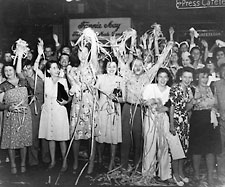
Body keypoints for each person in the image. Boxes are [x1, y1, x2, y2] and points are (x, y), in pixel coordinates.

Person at [0, 61, 32, 174]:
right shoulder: (3, 86)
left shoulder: (23, 81)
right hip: (11, 116)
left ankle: (23, 163)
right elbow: (0, 104)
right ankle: (13, 164)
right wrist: (8, 106)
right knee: (11, 141)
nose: (8, 73)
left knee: (24, 140)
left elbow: (31, 95)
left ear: (14, 70)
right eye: (5, 71)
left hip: (25, 115)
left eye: (10, 70)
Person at [38, 60, 70, 172]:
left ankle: (65, 161)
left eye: (57, 67)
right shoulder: (46, 80)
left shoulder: (63, 81)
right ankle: (52, 161)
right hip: (48, 112)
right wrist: (39, 54)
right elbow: (35, 69)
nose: (56, 70)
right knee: (50, 137)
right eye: (54, 68)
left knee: (61, 138)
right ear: (48, 70)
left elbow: (68, 96)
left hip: (59, 111)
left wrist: (66, 102)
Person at [142, 68, 172, 181]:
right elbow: (144, 101)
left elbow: (170, 106)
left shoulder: (170, 90)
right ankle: (148, 172)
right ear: (157, 77)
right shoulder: (151, 87)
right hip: (151, 117)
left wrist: (164, 108)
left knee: (163, 144)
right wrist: (153, 100)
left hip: (163, 118)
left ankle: (164, 174)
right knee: (149, 143)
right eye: (160, 76)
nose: (163, 79)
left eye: (165, 77)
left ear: (168, 78)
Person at [189, 68, 217, 186]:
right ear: (197, 78)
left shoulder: (211, 88)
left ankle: (210, 175)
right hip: (197, 119)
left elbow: (214, 104)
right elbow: (190, 105)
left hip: (209, 120)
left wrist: (214, 112)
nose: (205, 80)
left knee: (210, 149)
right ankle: (196, 174)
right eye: (202, 77)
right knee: (197, 149)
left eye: (206, 77)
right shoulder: (193, 89)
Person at [95, 60, 124, 171]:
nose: (111, 69)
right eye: (109, 66)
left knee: (113, 136)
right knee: (101, 136)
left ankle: (112, 161)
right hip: (102, 110)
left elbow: (123, 99)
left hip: (114, 111)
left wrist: (116, 98)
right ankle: (100, 159)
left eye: (114, 66)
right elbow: (95, 90)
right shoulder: (101, 77)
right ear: (105, 67)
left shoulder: (120, 80)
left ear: (117, 68)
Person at [169, 67, 194, 186]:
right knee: (176, 150)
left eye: (190, 77)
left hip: (184, 121)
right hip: (176, 120)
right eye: (185, 77)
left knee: (183, 148)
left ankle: (181, 172)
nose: (187, 79)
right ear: (180, 77)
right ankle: (176, 174)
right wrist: (171, 124)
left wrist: (191, 99)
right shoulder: (175, 89)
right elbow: (172, 107)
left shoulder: (189, 89)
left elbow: (188, 108)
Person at [214, 64, 225, 180]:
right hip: (222, 121)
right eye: (223, 71)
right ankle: (222, 175)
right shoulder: (217, 85)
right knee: (221, 149)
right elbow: (214, 103)